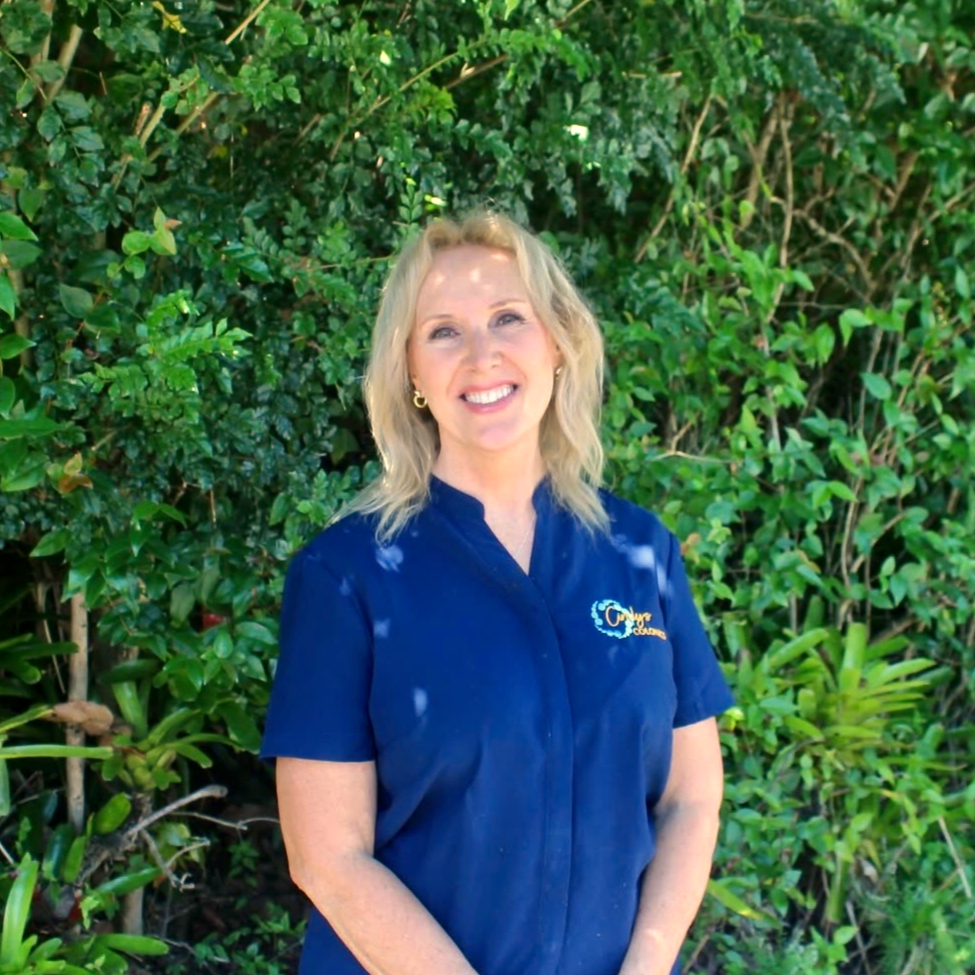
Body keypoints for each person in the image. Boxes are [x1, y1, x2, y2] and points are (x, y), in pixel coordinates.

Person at [260, 210, 734, 975]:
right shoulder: (346, 576)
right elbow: (328, 857)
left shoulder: (640, 552)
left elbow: (689, 797)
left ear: (557, 341)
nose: (482, 356)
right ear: (410, 372)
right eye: (443, 331)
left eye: (508, 317)